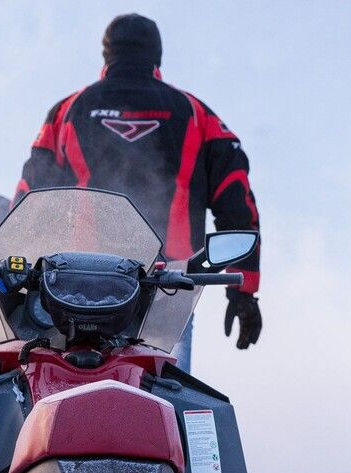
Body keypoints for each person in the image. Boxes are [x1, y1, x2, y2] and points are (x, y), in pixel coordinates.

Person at [14, 13, 263, 371]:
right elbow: (238, 204)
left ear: (106, 55)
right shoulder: (198, 115)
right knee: (162, 398)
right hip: (167, 286)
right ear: (156, 57)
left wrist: (7, 271)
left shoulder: (67, 112)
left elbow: (28, 202)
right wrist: (244, 292)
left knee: (64, 391)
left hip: (75, 286)